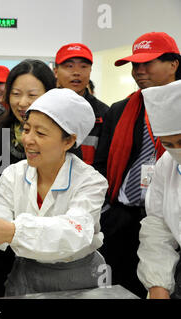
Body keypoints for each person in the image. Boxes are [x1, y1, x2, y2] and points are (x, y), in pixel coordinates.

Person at [0, 88, 108, 296]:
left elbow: (76, 232)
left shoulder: (90, 181)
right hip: (26, 274)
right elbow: (1, 212)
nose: (28, 140)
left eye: (41, 133)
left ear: (69, 141)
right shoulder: (14, 174)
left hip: (79, 278)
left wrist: (13, 231)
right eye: (27, 129)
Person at [93, 31, 180, 298]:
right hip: (123, 216)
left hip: (167, 216)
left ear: (174, 63)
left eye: (148, 63)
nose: (139, 71)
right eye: (135, 65)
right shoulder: (120, 109)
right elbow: (102, 163)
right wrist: (106, 210)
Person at [0, 59, 56, 298]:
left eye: (32, 94)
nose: (22, 102)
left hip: (40, 246)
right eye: (15, 94)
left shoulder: (61, 139)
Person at [137, 80, 181, 299]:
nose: (176, 150)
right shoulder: (167, 163)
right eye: (168, 144)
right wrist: (158, 284)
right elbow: (158, 226)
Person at [54, 43, 109, 165]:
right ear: (56, 71)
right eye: (69, 66)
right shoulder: (42, 107)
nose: (76, 72)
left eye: (83, 66)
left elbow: (104, 162)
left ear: (90, 71)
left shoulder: (104, 113)